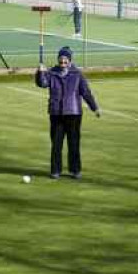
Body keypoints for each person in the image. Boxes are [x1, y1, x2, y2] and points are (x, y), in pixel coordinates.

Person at [35, 47, 100, 179]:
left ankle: (75, 170)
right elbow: (42, 83)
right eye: (61, 61)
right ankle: (55, 170)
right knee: (56, 144)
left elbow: (85, 92)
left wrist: (94, 107)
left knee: (74, 143)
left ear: (70, 61)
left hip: (73, 113)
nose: (63, 64)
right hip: (56, 113)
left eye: (65, 61)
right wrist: (40, 72)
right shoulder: (51, 73)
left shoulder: (77, 74)